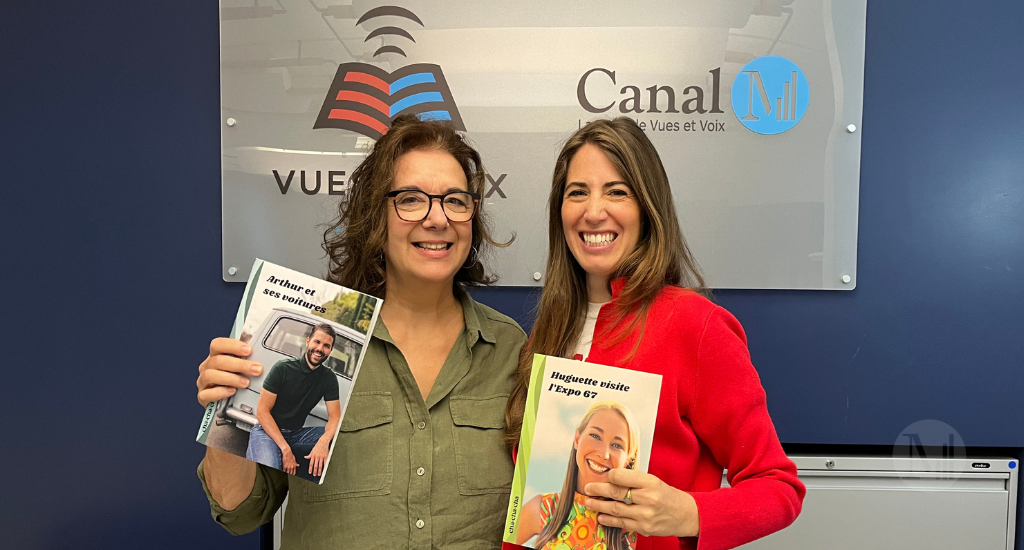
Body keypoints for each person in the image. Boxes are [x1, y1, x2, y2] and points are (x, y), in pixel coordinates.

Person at [196, 115, 527, 549]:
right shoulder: (314, 331)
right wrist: (225, 413)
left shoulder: (510, 349)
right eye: (411, 200)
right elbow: (241, 511)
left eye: (455, 200)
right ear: (376, 215)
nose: (437, 218)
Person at [505, 118, 805, 550]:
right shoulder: (547, 333)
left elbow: (778, 488)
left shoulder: (696, 327)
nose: (593, 211)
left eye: (617, 191)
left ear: (647, 209)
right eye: (577, 193)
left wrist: (688, 513)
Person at [516, 402, 640, 550]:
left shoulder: (635, 523)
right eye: (595, 436)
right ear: (577, 439)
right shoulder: (543, 508)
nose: (603, 454)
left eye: (617, 445)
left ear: (628, 460)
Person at [245, 323, 341, 482]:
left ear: (330, 350)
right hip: (267, 432)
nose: (320, 349)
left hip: (297, 434)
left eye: (326, 345)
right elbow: (262, 412)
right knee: (267, 474)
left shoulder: (329, 378)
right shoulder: (282, 368)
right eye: (317, 342)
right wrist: (285, 450)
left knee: (340, 440)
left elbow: (335, 417)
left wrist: (323, 442)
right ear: (308, 341)